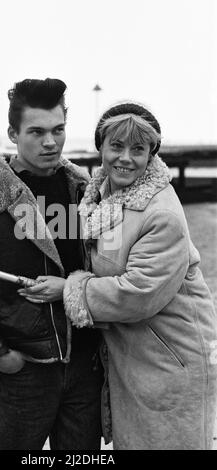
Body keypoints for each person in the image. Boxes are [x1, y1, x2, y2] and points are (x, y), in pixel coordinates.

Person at [0, 78, 104, 450]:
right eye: (36, 131)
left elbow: (107, 265)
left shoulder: (83, 189)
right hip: (26, 369)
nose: (50, 142)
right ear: (12, 133)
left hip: (85, 365)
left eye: (58, 130)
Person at [59, 102, 217, 449]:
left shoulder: (162, 214)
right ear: (100, 147)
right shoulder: (102, 196)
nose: (125, 158)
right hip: (136, 356)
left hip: (170, 359)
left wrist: (71, 290)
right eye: (116, 146)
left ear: (151, 154)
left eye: (138, 149)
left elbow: (138, 292)